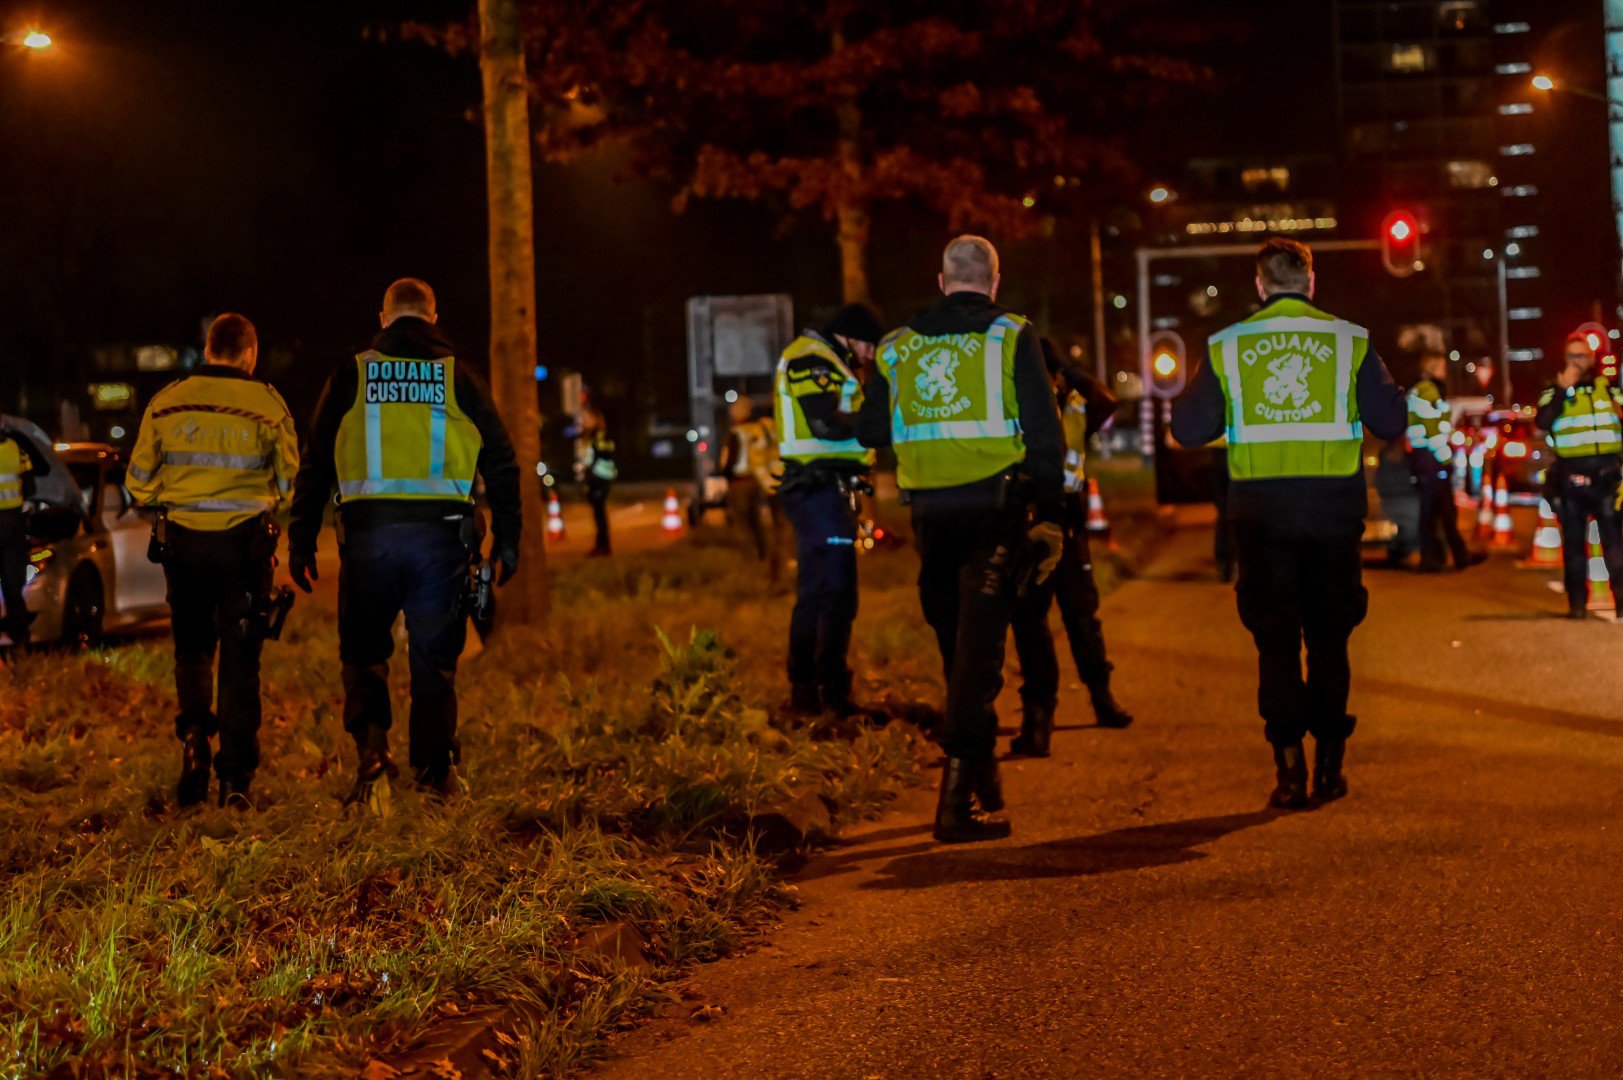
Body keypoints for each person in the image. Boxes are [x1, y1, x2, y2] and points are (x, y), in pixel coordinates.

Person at [1171, 238, 1405, 809]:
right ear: (1310, 281)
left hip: (1262, 516)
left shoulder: (1227, 346)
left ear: (1260, 285)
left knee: (1275, 642)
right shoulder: (1350, 340)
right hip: (1332, 514)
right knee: (1329, 638)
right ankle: (1330, 768)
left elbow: (1188, 428)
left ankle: (1289, 770)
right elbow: (1391, 418)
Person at [858, 235, 1065, 843]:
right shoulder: (1011, 335)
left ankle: (980, 777)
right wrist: (1050, 517)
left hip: (929, 519)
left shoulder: (896, 347)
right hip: (994, 514)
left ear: (942, 279)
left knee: (958, 650)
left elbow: (871, 427)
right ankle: (953, 809)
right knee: (977, 660)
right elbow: (1045, 437)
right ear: (994, 282)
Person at [288, 278, 522, 800]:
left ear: (384, 317)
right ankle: (434, 772)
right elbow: (502, 461)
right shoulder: (458, 375)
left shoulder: (353, 372)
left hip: (368, 541)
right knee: (434, 656)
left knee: (364, 650)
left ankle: (373, 751)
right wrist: (509, 536)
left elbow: (317, 458)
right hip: (442, 541)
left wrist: (300, 537)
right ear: (433, 318)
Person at [125, 313, 300, 808]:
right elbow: (289, 485)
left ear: (207, 351)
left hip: (183, 544)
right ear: (250, 353)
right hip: (244, 549)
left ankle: (195, 746)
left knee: (193, 650)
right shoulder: (268, 405)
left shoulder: (166, 403)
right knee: (241, 660)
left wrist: (176, 497)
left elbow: (137, 482)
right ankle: (235, 781)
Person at [1009, 339, 1134, 755]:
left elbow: (1107, 398)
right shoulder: (1016, 400)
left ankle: (1102, 699)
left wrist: (1064, 369)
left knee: (1081, 617)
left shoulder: (1075, 401)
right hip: (1032, 526)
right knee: (1032, 623)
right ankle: (1039, 719)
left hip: (1069, 525)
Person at [773, 303, 882, 715]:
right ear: (850, 336)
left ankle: (809, 691)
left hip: (824, 491)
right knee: (833, 592)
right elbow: (823, 422)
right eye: (869, 344)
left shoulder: (830, 361)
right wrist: (876, 418)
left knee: (820, 591)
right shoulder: (810, 358)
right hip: (817, 490)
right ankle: (827, 693)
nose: (871, 354)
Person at [1534, 331, 1623, 618]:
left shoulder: (1608, 389)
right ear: (1564, 359)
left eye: (1582, 355)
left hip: (1606, 479)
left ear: (1592, 358)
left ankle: (1622, 601)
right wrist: (1561, 390)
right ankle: (1577, 606)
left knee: (1615, 545)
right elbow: (1543, 422)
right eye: (1572, 356)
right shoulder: (1554, 390)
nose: (1577, 362)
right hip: (1571, 480)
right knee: (1573, 547)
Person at [1406, 351, 1481, 573]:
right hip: (1432, 459)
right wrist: (1445, 459)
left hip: (1425, 458)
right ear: (1435, 368)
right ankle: (1438, 557)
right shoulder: (1429, 392)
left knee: (1442, 511)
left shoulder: (1420, 391)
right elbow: (1434, 430)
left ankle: (1456, 554)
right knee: (1434, 511)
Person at [720, 397, 780, 562]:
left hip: (740, 481)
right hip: (757, 480)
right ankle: (763, 553)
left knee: (743, 522)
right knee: (757, 522)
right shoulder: (759, 428)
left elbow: (729, 460)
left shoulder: (736, 432)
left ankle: (751, 557)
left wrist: (724, 474)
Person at [0, 426, 39, 645]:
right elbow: (31, 489)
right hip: (12, 524)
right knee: (13, 587)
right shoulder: (16, 449)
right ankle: (20, 640)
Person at [578, 406, 617, 556]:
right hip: (594, 477)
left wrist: (590, 468)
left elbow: (605, 453)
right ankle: (601, 545)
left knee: (599, 512)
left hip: (601, 477)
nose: (583, 421)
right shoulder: (589, 436)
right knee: (597, 512)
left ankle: (604, 546)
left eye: (586, 418)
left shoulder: (600, 436)